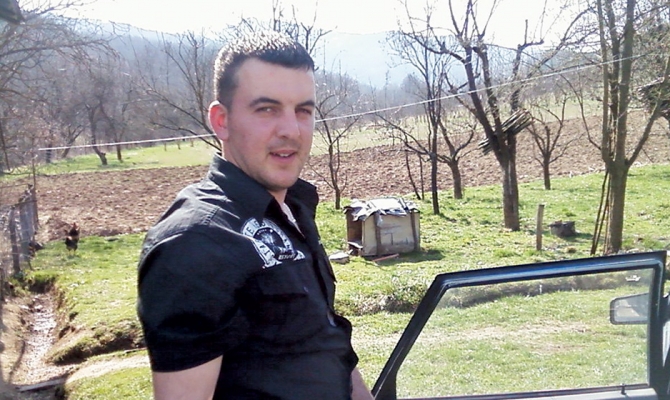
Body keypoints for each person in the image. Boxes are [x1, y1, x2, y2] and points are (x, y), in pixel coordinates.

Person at [137, 30, 374, 400]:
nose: (291, 130)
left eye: (303, 111)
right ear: (222, 121)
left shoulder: (293, 207)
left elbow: (324, 342)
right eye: (267, 109)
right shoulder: (196, 242)